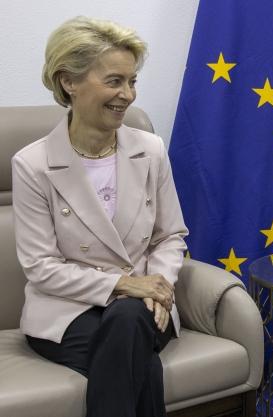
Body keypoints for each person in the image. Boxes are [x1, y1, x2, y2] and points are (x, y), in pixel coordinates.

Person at [12, 16, 188, 417]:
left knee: (128, 320)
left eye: (132, 81)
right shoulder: (32, 164)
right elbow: (41, 267)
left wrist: (158, 287)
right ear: (68, 82)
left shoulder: (150, 150)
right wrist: (125, 284)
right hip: (66, 313)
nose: (127, 95)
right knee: (137, 355)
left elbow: (170, 236)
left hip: (145, 306)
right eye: (114, 81)